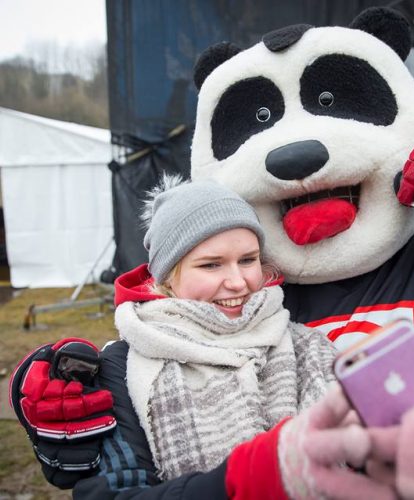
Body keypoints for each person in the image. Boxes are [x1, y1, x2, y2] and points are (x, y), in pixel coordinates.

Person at [12, 176, 394, 499]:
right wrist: (240, 479)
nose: (238, 281)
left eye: (248, 260)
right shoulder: (122, 367)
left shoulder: (308, 346)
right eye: (211, 264)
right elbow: (116, 493)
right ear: (167, 277)